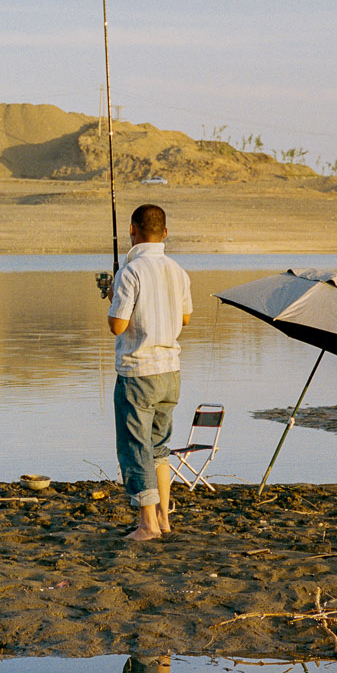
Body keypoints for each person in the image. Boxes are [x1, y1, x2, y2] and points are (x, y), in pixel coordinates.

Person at [106, 203, 192, 542]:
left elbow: (117, 326)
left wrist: (113, 296)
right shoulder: (178, 271)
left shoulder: (130, 272)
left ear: (132, 230)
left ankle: (147, 524)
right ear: (165, 233)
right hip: (171, 372)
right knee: (160, 448)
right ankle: (164, 520)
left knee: (134, 447)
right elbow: (184, 319)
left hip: (138, 371)